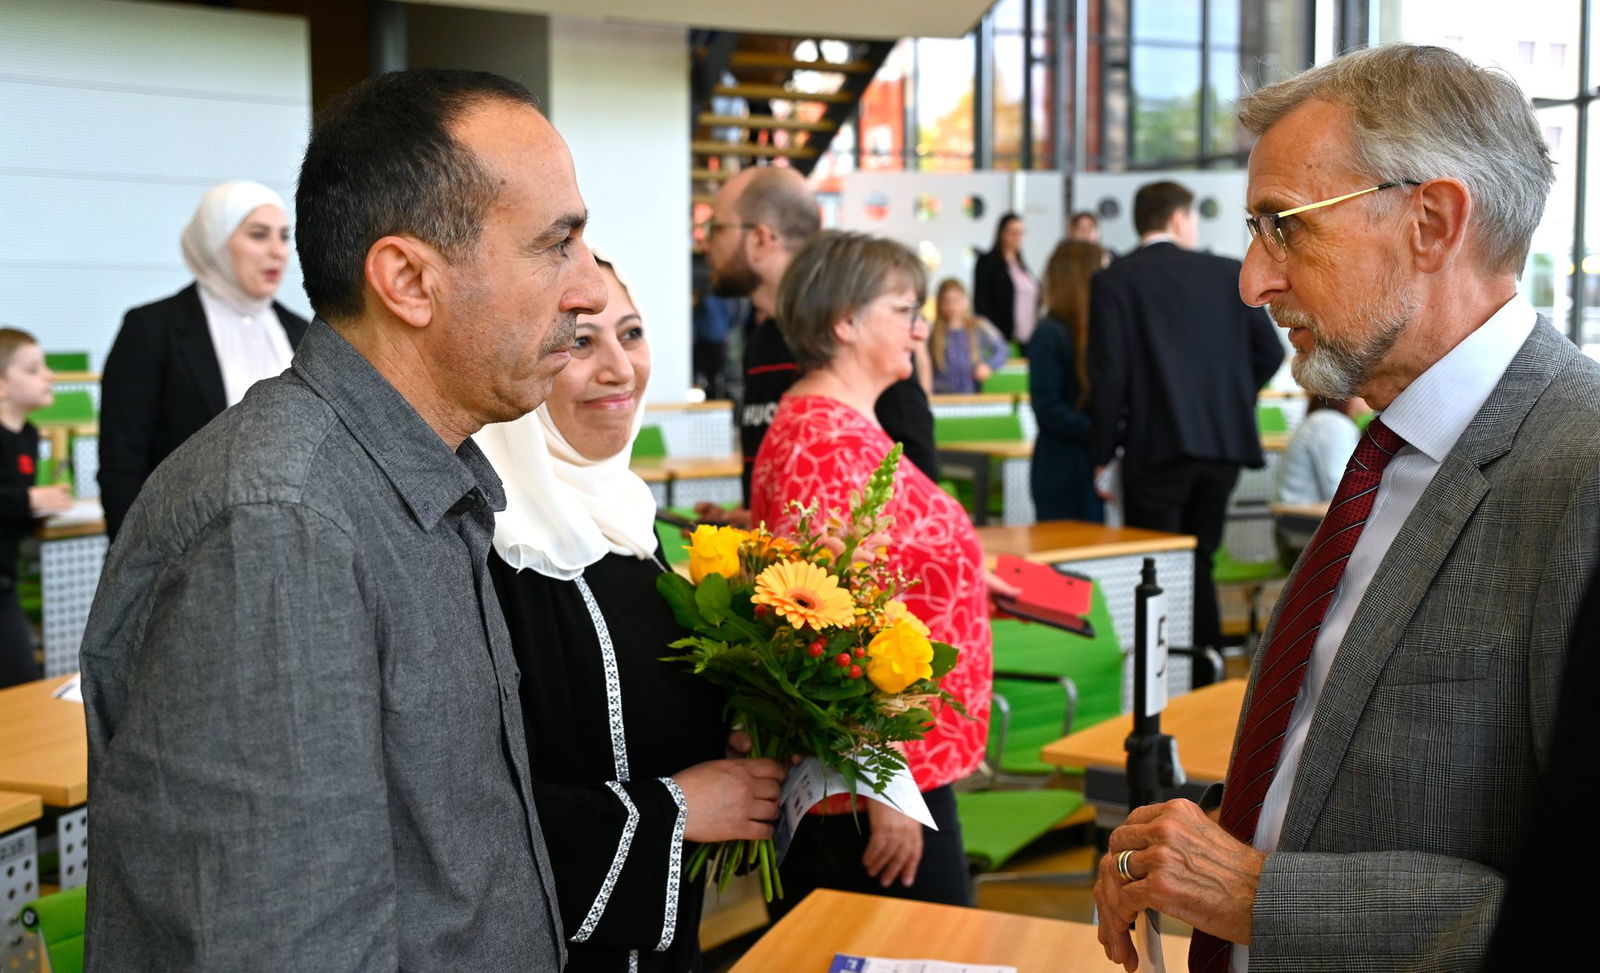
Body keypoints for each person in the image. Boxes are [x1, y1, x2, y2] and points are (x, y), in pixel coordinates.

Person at [79, 69, 606, 969]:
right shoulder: (280, 527)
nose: (590, 287)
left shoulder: (403, 481)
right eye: (556, 244)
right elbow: (283, 942)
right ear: (407, 280)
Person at [1091, 44, 1600, 973]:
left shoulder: (1581, 471)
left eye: (1284, 225)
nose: (1252, 280)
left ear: (1432, 223)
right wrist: (1203, 843)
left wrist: (1258, 897)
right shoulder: (1390, 453)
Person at [476, 254, 785, 973]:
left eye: (632, 333)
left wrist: (733, 728)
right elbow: (470, 815)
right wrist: (676, 808)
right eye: (580, 342)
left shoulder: (628, 521)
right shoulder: (492, 550)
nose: (620, 369)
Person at [750, 230, 996, 918]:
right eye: (904, 310)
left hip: (894, 773)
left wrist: (961, 580)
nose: (920, 328)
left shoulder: (842, 425)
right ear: (845, 321)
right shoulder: (824, 441)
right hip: (870, 792)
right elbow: (824, 632)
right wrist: (889, 788)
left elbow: (877, 575)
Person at [1088, 180, 1284, 651]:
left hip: (1155, 446)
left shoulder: (1115, 279)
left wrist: (1100, 453)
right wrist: (1228, 400)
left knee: (1156, 568)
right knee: (1200, 560)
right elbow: (1270, 353)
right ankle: (1205, 665)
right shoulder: (1225, 272)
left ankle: (1168, 675)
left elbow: (1109, 376)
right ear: (1178, 219)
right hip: (1223, 446)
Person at [699, 166, 937, 525]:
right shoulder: (762, 339)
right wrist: (753, 521)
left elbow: (915, 481)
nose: (706, 243)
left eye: (716, 228)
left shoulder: (855, 345)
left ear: (760, 238)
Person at [98, 180, 311, 540]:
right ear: (216, 240)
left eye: (283, 236)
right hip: (184, 544)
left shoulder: (301, 331)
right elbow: (122, 462)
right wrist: (138, 556)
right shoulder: (153, 328)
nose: (277, 251)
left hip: (293, 539)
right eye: (259, 235)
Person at [0, 329, 73, 688]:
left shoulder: (28, 434)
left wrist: (42, 505)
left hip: (5, 577)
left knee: (21, 682)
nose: (49, 376)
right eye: (33, 369)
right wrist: (30, 499)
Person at [1029, 241, 1105, 522]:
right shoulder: (1050, 333)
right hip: (1063, 466)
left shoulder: (1097, 329)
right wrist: (1103, 432)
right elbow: (1048, 408)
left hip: (1089, 457)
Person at [1272, 395, 1365, 505]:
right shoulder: (1332, 424)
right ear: (1346, 394)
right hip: (1306, 513)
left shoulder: (1321, 420)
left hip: (1298, 511)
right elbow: (1340, 490)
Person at [972, 212, 1039, 350]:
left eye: (1020, 233)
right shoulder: (988, 262)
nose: (1017, 237)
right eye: (1012, 232)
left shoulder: (1022, 266)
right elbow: (981, 303)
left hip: (1028, 337)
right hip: (1001, 338)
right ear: (1001, 233)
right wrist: (993, 335)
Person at [928, 278, 1008, 394]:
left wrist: (988, 366)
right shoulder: (933, 331)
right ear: (939, 304)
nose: (952, 306)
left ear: (965, 301)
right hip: (941, 395)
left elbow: (1002, 349)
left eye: (956, 300)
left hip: (971, 393)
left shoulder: (979, 326)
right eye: (947, 301)